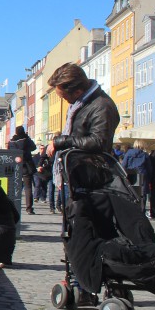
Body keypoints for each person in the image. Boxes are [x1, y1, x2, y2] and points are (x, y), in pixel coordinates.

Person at [47, 62, 121, 213]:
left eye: (64, 96)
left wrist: (62, 141)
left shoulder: (101, 105)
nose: (64, 100)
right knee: (73, 225)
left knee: (84, 226)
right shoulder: (80, 105)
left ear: (78, 91)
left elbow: (99, 141)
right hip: (76, 173)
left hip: (90, 178)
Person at [8, 125, 37, 214]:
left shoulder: (11, 142)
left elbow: (9, 152)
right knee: (28, 188)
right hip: (26, 165)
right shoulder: (26, 140)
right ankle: (29, 208)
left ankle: (12, 206)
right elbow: (34, 147)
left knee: (15, 186)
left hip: (15, 166)